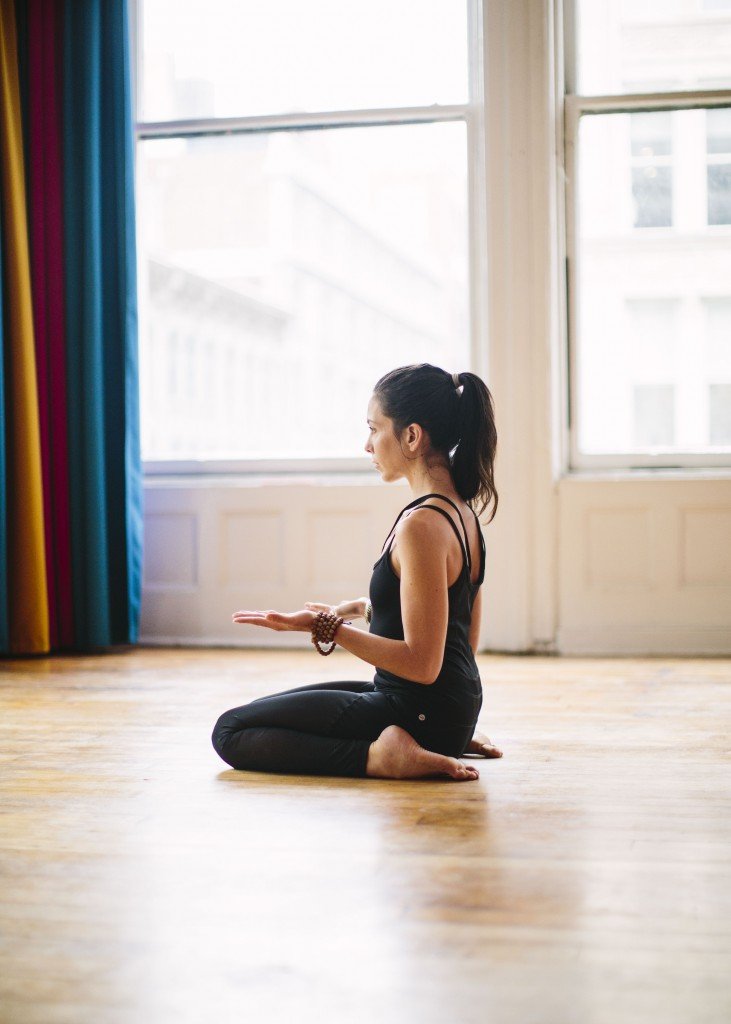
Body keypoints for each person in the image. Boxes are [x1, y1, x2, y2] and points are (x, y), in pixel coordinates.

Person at [211, 363, 502, 781]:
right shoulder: (461, 514)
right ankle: (437, 741)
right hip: (448, 709)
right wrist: (361, 609)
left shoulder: (421, 525)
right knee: (269, 712)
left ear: (412, 436)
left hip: (418, 710)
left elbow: (423, 664)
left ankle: (383, 758)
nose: (368, 445)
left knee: (231, 730)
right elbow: (460, 633)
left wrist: (327, 627)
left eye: (374, 428)